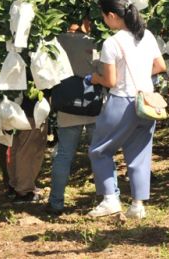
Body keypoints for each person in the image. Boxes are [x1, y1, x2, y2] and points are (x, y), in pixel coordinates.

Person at [87, 0, 166, 220]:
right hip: (146, 102)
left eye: (104, 17)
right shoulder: (146, 36)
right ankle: (138, 205)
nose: (104, 21)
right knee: (140, 153)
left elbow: (110, 81)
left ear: (112, 16)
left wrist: (95, 78)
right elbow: (160, 66)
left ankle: (110, 199)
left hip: (122, 102)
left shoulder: (111, 43)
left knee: (99, 150)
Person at [47, 29, 113, 216]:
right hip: (93, 103)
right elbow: (105, 71)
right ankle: (108, 197)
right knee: (101, 153)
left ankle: (56, 202)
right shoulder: (97, 41)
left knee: (64, 155)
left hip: (68, 105)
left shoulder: (57, 40)